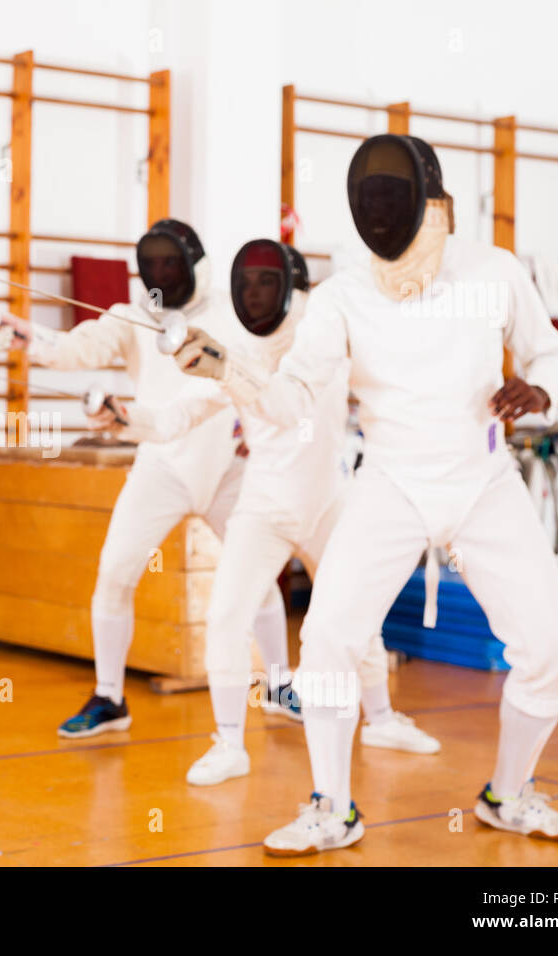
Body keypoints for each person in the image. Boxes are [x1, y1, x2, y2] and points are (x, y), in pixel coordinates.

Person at [175, 135, 558, 854]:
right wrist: (229, 371)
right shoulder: (342, 297)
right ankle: (333, 806)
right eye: (373, 201)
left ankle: (508, 794)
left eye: (396, 198)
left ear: (429, 199)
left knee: (550, 645)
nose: (384, 212)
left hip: (485, 481)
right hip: (391, 482)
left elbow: (550, 349)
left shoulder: (493, 269)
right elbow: (293, 399)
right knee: (328, 640)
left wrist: (542, 385)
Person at [105, 239, 440, 786]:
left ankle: (380, 718)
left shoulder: (325, 346)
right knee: (226, 616)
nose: (255, 291)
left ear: (294, 291)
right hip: (264, 506)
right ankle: (229, 743)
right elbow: (173, 420)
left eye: (267, 280)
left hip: (329, 501)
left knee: (361, 615)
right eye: (247, 282)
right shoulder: (239, 354)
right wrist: (126, 419)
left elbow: (293, 401)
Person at [0, 220, 296, 738]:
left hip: (227, 462)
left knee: (258, 572)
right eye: (151, 265)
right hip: (159, 462)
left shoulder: (231, 311)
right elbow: (78, 348)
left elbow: (264, 371)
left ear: (194, 263)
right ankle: (110, 697)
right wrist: (33, 339)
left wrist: (260, 425)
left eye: (170, 264)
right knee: (114, 572)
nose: (160, 273)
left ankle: (280, 685)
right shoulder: (132, 317)